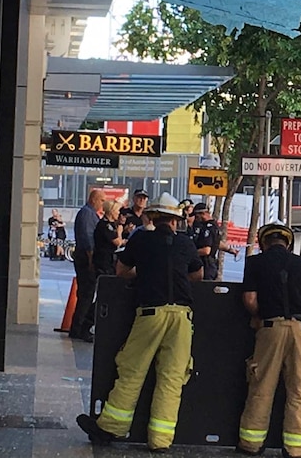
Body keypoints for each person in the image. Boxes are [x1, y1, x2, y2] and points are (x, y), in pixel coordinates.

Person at [76, 192, 204, 453]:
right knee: (172, 377)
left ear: (153, 217)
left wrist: (146, 272)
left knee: (133, 369)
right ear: (176, 221)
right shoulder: (187, 244)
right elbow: (198, 274)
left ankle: (111, 427)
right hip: (182, 316)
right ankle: (160, 440)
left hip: (150, 313)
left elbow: (121, 271)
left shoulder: (141, 240)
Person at [236, 223, 301, 458]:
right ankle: (297, 448)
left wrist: (260, 315)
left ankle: (251, 444)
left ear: (263, 243)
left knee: (261, 386)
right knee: (300, 390)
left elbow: (250, 299)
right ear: (288, 243)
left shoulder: (255, 263)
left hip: (270, 329)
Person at [70, 189, 106, 342]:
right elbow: (87, 238)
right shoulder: (87, 214)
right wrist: (91, 260)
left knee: (87, 294)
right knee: (86, 294)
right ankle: (78, 328)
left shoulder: (90, 214)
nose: (103, 203)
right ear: (94, 199)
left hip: (86, 257)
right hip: (85, 258)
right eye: (102, 200)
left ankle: (78, 327)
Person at [191, 202, 238, 281]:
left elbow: (206, 250)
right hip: (211, 264)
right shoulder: (214, 226)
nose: (195, 218)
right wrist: (229, 249)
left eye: (196, 216)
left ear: (203, 213)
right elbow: (216, 243)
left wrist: (190, 253)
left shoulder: (207, 228)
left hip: (205, 265)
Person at [93, 201, 125, 276]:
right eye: (117, 211)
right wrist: (120, 232)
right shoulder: (105, 225)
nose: (118, 213)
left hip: (110, 261)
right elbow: (117, 242)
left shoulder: (112, 224)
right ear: (112, 211)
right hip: (104, 261)